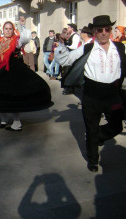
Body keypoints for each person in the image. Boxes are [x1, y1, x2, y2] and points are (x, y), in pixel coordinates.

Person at [55, 15, 126, 172]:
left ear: (110, 31)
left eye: (107, 29)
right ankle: (93, 160)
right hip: (92, 94)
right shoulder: (87, 48)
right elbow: (65, 60)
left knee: (116, 126)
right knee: (91, 128)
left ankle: (100, 137)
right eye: (99, 30)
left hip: (112, 94)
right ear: (94, 31)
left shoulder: (119, 48)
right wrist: (61, 45)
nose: (103, 33)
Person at [0, 20, 53, 131]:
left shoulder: (16, 41)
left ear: (13, 30)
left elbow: (25, 38)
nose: (8, 30)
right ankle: (3, 119)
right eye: (6, 28)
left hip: (13, 71)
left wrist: (22, 26)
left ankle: (17, 122)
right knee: (0, 96)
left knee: (13, 97)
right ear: (3, 30)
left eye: (10, 29)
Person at [61, 23, 81, 95]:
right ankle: (68, 88)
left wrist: (66, 47)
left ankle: (70, 89)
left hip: (72, 55)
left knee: (69, 72)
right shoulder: (71, 36)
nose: (68, 29)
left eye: (69, 27)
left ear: (72, 28)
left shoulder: (75, 36)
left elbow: (74, 46)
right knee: (67, 71)